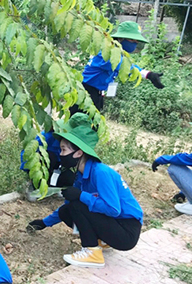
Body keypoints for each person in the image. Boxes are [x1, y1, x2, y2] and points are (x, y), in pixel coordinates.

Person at [27, 113, 143, 268]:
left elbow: (113, 209)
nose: (60, 155)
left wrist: (82, 196)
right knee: (67, 210)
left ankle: (92, 252)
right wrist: (45, 222)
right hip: (115, 225)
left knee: (77, 204)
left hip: (127, 231)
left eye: (63, 150)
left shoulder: (100, 172)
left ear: (79, 153)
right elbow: (70, 206)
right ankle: (102, 242)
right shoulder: (80, 175)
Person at [70, 21, 163, 115]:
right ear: (121, 38)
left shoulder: (117, 52)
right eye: (132, 40)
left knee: (92, 125)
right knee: (79, 124)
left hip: (97, 93)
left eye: (136, 41)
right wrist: (148, 74)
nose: (135, 44)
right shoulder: (108, 53)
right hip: (86, 92)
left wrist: (148, 74)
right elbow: (125, 67)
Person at [21, 129, 76, 201]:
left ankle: (55, 186)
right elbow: (26, 156)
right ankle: (35, 186)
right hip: (42, 166)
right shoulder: (47, 137)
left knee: (71, 178)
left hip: (56, 169)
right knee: (50, 156)